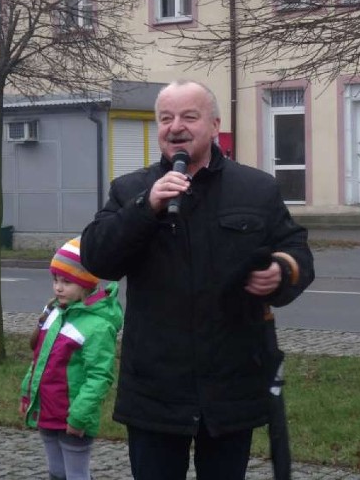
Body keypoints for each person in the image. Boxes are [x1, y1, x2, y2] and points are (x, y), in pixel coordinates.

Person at [80, 80, 314, 480]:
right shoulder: (131, 190)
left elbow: (299, 254)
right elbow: (98, 258)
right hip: (155, 391)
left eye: (189, 116)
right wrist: (145, 208)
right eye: (166, 118)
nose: (176, 127)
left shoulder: (256, 189)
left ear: (214, 125)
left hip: (229, 388)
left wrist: (280, 269)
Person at [20, 236, 123, 480]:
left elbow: (99, 376)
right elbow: (39, 359)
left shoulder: (97, 327)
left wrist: (79, 416)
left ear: (86, 284)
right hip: (48, 410)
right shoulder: (55, 313)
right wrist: (27, 393)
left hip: (73, 416)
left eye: (66, 281)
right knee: (56, 473)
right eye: (55, 279)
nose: (58, 287)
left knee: (76, 475)